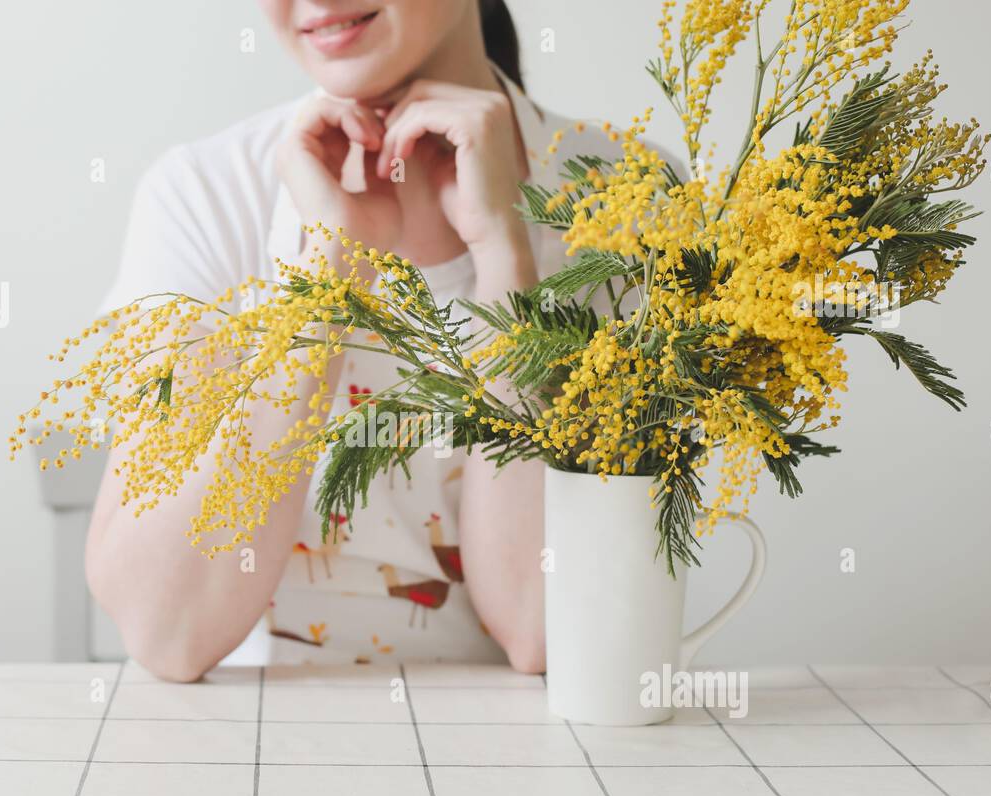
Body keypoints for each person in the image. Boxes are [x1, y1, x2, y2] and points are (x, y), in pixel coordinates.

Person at [86, 0, 617, 679]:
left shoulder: (630, 201)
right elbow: (169, 632)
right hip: (246, 751)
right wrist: (331, 272)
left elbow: (550, 633)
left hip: (528, 757)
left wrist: (508, 260)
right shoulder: (205, 197)